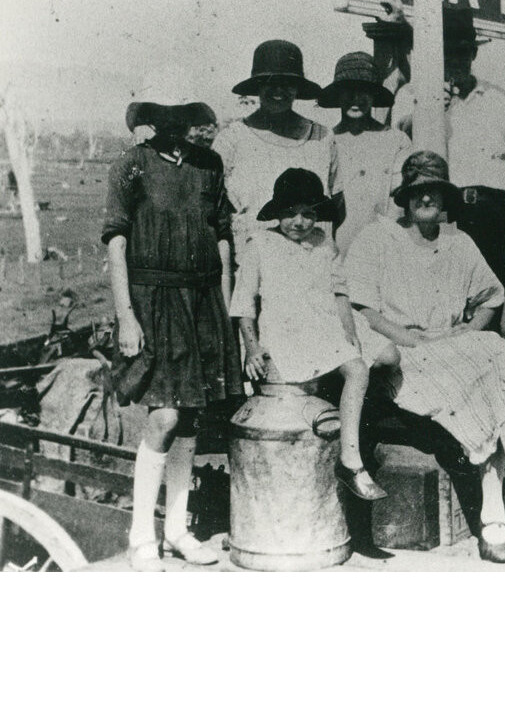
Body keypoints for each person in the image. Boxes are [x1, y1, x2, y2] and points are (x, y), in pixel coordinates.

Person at [346, 151, 505, 564]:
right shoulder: (377, 238)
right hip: (404, 356)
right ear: (405, 198)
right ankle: (497, 518)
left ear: (446, 197)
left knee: (499, 353)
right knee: (486, 391)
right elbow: (363, 310)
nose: (426, 199)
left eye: (434, 191)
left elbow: (490, 297)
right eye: (418, 192)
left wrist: (467, 330)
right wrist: (414, 341)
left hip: (452, 346)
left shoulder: (458, 242)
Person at [103, 100, 243, 571]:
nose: (171, 122)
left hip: (203, 300)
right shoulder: (131, 165)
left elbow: (222, 237)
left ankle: (178, 530)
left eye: (180, 112)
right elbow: (117, 243)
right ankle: (141, 537)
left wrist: (225, 306)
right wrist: (126, 316)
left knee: (191, 418)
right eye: (161, 113)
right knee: (163, 416)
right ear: (150, 117)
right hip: (153, 301)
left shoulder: (208, 165)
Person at [229, 168, 399, 501]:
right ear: (277, 213)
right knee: (357, 369)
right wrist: (251, 346)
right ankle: (352, 459)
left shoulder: (324, 243)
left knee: (389, 357)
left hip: (328, 322)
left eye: (308, 213)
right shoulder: (260, 244)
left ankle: (357, 415)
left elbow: (339, 291)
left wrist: (349, 329)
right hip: (287, 330)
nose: (299, 221)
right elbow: (243, 302)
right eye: (290, 213)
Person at [392, 9, 505, 292]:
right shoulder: (411, 94)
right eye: (446, 53)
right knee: (438, 305)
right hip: (438, 212)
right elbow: (399, 136)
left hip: (490, 215)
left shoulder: (499, 99)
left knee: (488, 306)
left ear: (474, 54)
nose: (454, 61)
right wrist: (430, 108)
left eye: (462, 53)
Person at [212, 39, 342, 258]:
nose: (279, 91)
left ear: (298, 88)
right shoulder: (232, 139)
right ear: (258, 86)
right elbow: (215, 209)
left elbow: (336, 203)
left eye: (288, 83)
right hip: (250, 264)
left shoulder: (322, 137)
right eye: (270, 82)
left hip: (311, 262)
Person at [315, 51, 412, 254]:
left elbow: (400, 201)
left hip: (384, 248)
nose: (356, 99)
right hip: (339, 248)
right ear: (338, 95)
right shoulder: (324, 141)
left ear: (374, 95)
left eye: (364, 91)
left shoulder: (396, 140)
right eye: (348, 91)